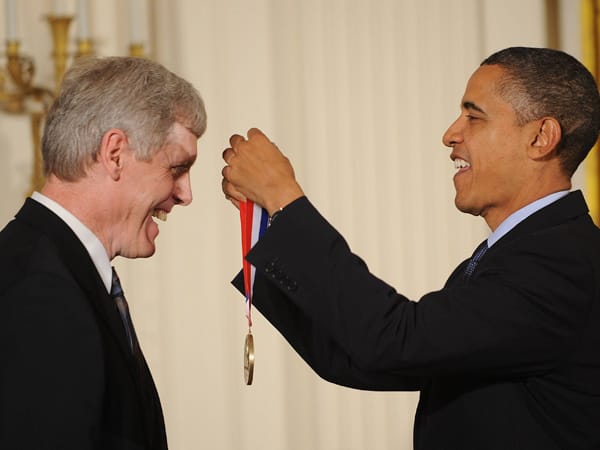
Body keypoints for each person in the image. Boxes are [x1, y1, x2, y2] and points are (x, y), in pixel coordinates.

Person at [221, 47, 600, 449]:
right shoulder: (517, 256)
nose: (451, 134)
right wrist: (270, 223)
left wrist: (285, 197)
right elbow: (359, 358)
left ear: (540, 137)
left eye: (474, 117)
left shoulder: (562, 263)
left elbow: (394, 341)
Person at [0, 56, 206, 449]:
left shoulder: (60, 272)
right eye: (177, 168)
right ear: (114, 154)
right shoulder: (39, 291)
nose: (186, 194)